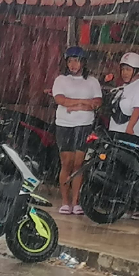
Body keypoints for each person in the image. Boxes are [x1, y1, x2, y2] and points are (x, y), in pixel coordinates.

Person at [50, 45, 102, 216]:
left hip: (84, 126)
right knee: (66, 163)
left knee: (79, 165)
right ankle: (65, 202)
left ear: (83, 63)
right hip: (65, 125)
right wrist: (83, 103)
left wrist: (74, 104)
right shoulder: (60, 80)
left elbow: (97, 103)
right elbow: (60, 99)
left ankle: (76, 202)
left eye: (77, 61)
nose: (73, 65)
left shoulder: (92, 81)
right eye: (70, 61)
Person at [109, 52, 139, 142]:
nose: (124, 73)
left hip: (132, 137)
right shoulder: (123, 87)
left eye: (128, 69)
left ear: (137, 71)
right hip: (116, 135)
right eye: (123, 69)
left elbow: (137, 109)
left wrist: (130, 128)